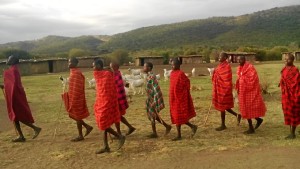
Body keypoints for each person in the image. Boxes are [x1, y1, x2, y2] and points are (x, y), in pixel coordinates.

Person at [0, 55, 41, 142]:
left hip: (15, 96)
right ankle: (21, 136)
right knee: (15, 116)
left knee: (18, 115)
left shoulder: (13, 70)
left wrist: (6, 87)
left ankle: (35, 128)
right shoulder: (13, 70)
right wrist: (4, 86)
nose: (7, 60)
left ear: (13, 61)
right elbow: (11, 85)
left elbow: (13, 85)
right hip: (14, 95)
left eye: (9, 58)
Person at [93, 59, 125, 154]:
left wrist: (107, 101)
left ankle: (120, 137)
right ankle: (106, 146)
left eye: (94, 66)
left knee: (103, 122)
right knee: (104, 123)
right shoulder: (99, 75)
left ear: (99, 65)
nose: (93, 68)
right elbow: (100, 89)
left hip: (108, 101)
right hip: (101, 101)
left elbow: (110, 89)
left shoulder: (107, 75)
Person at [64, 57, 93, 142]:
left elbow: (78, 87)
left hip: (76, 98)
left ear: (74, 63)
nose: (68, 64)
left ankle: (80, 135)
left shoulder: (76, 73)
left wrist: (74, 98)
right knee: (72, 115)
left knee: (76, 115)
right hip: (73, 96)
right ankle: (87, 127)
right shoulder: (73, 72)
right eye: (68, 62)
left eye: (69, 62)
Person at [236, 56, 266, 134]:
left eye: (241, 59)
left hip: (250, 91)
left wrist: (243, 80)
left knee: (249, 108)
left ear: (244, 60)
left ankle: (251, 128)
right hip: (243, 92)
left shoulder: (250, 67)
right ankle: (258, 121)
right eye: (238, 60)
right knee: (246, 109)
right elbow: (239, 78)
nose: (239, 61)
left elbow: (254, 79)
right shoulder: (239, 68)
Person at [169, 58, 197, 141]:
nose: (172, 66)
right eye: (171, 65)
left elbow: (187, 83)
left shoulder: (181, 74)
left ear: (178, 65)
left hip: (180, 98)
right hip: (173, 98)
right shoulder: (172, 74)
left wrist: (182, 92)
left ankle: (179, 135)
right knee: (176, 116)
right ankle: (192, 127)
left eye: (174, 65)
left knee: (179, 116)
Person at [212, 52, 241, 131]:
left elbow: (226, 78)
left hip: (225, 89)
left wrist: (217, 76)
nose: (219, 57)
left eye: (221, 56)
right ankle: (237, 115)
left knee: (223, 107)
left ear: (225, 57)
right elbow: (217, 75)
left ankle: (223, 125)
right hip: (220, 88)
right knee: (225, 107)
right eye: (219, 56)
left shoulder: (227, 66)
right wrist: (215, 74)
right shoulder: (219, 66)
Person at [143, 62, 172, 138]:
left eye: (145, 67)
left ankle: (156, 132)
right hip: (150, 99)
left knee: (153, 115)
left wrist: (155, 101)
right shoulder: (148, 76)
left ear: (149, 68)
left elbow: (156, 89)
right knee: (154, 116)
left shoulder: (152, 77)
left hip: (153, 99)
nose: (143, 68)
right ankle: (165, 127)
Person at [110, 62, 136, 136]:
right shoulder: (116, 74)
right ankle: (130, 127)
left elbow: (117, 88)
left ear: (116, 67)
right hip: (117, 98)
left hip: (117, 98)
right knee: (118, 116)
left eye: (111, 67)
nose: (110, 69)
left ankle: (119, 133)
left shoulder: (116, 75)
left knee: (116, 116)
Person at [279, 53, 300, 139]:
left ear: (292, 60)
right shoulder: (284, 69)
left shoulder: (295, 70)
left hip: (294, 94)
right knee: (287, 112)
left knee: (294, 112)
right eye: (285, 59)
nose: (286, 61)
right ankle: (291, 131)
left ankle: (293, 133)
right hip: (286, 95)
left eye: (288, 59)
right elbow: (283, 79)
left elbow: (296, 83)